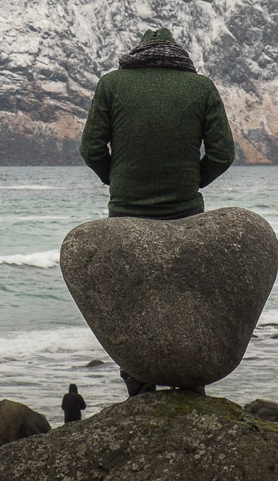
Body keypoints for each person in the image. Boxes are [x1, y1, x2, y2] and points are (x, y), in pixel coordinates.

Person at [79, 27, 235, 394]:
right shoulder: (202, 88)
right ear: (178, 55)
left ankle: (137, 379)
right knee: (186, 296)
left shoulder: (111, 84)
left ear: (139, 52)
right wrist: (193, 181)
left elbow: (90, 149)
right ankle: (190, 380)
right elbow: (223, 154)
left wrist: (114, 178)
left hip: (126, 210)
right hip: (184, 211)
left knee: (132, 298)